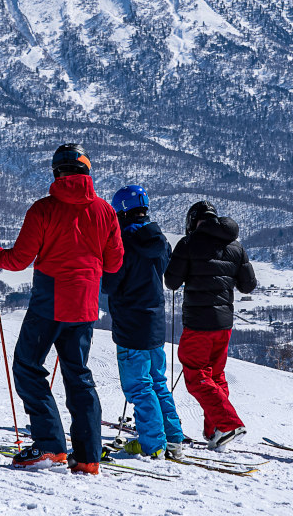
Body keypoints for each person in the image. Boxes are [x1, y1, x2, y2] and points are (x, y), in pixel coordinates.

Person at [0, 143, 123, 475]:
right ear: (86, 171)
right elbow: (114, 264)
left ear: (57, 173)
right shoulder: (105, 212)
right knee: (79, 376)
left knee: (28, 366)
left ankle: (50, 446)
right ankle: (88, 457)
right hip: (86, 306)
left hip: (50, 302)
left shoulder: (43, 210)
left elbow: (17, 261)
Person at [164, 201, 257, 450]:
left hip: (198, 324)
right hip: (224, 323)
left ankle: (228, 424)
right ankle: (215, 431)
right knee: (215, 377)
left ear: (193, 220)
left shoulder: (188, 244)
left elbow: (172, 282)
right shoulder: (236, 247)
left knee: (196, 375)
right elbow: (248, 286)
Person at [102, 185, 185, 460]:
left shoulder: (122, 241)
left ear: (121, 210)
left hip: (130, 324)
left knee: (138, 386)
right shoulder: (160, 239)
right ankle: (173, 438)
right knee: (157, 381)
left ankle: (153, 443)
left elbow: (110, 284)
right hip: (155, 321)